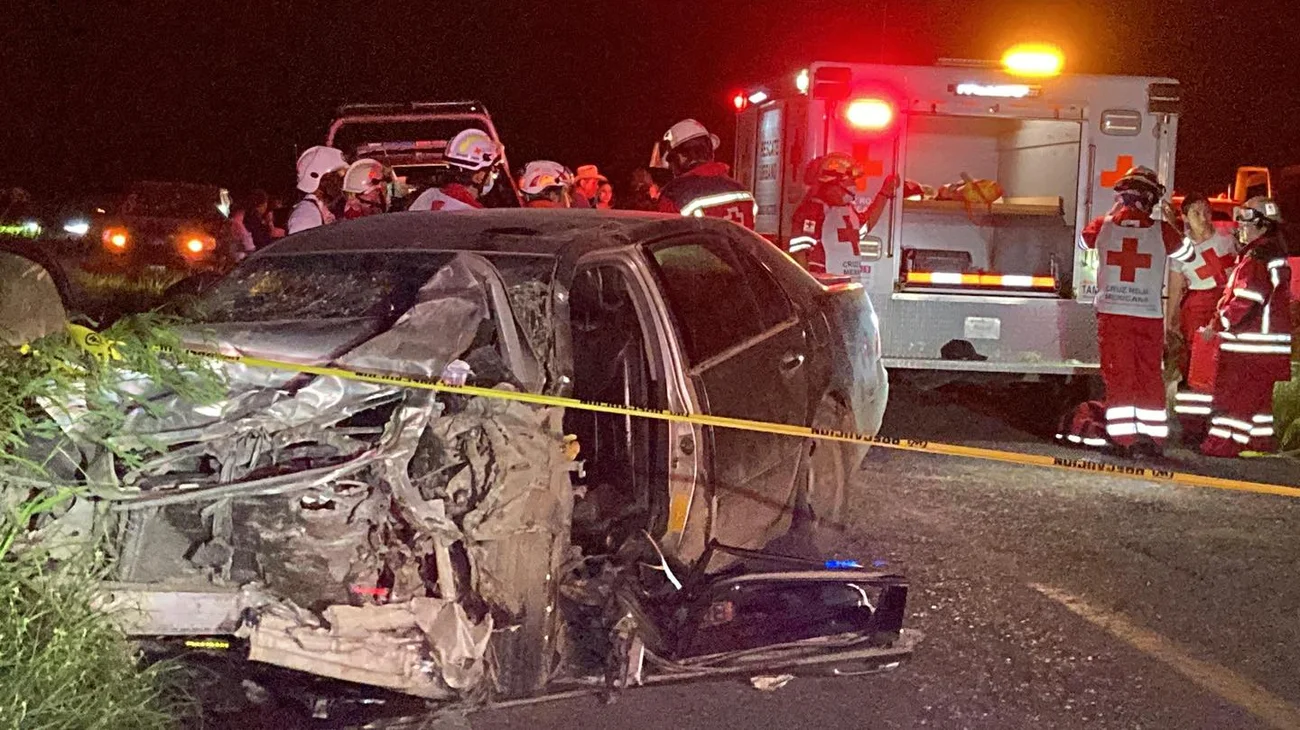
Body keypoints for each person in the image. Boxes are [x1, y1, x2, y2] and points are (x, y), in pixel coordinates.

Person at [1079, 166, 1191, 456]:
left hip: (1113, 315)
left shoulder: (1101, 225)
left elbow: (1082, 241)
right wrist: (1174, 220)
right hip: (1149, 315)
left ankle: (1123, 440)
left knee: (1119, 376)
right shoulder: (1163, 231)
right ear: (1151, 199)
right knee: (1149, 374)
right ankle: (1153, 439)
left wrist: (1113, 212)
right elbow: (1188, 255)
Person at [1200, 197, 1293, 457]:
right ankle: (1258, 441)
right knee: (1258, 397)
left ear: (1262, 225)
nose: (1240, 226)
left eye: (1245, 220)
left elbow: (1248, 297)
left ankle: (1224, 443)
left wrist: (1219, 323)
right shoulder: (1271, 252)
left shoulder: (1258, 256)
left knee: (1237, 396)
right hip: (1268, 344)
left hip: (1251, 343)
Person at [1169, 193, 1239, 436]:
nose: (1203, 218)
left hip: (1227, 302)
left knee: (1227, 362)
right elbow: (1176, 286)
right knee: (1196, 365)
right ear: (1185, 217)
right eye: (1196, 213)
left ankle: (1222, 421)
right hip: (1197, 307)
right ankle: (1193, 427)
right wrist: (1172, 322)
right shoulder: (1181, 249)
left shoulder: (1227, 239)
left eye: (1206, 211)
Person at [789, 152, 899, 277]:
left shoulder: (847, 210)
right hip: (824, 287)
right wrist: (810, 288)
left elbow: (865, 225)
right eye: (851, 181)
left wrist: (884, 193)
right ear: (833, 183)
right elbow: (800, 252)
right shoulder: (813, 210)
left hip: (847, 287)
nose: (854, 186)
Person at [655, 119, 755, 227]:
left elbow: (664, 237)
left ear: (681, 157)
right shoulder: (742, 191)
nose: (672, 168)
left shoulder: (674, 194)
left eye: (672, 160)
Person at [408, 128, 503, 211]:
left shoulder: (428, 197)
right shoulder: (477, 215)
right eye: (493, 171)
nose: (493, 176)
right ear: (479, 177)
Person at [287, 145, 348, 234]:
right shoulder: (306, 216)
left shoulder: (318, 210)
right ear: (320, 180)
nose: (342, 182)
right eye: (337, 176)